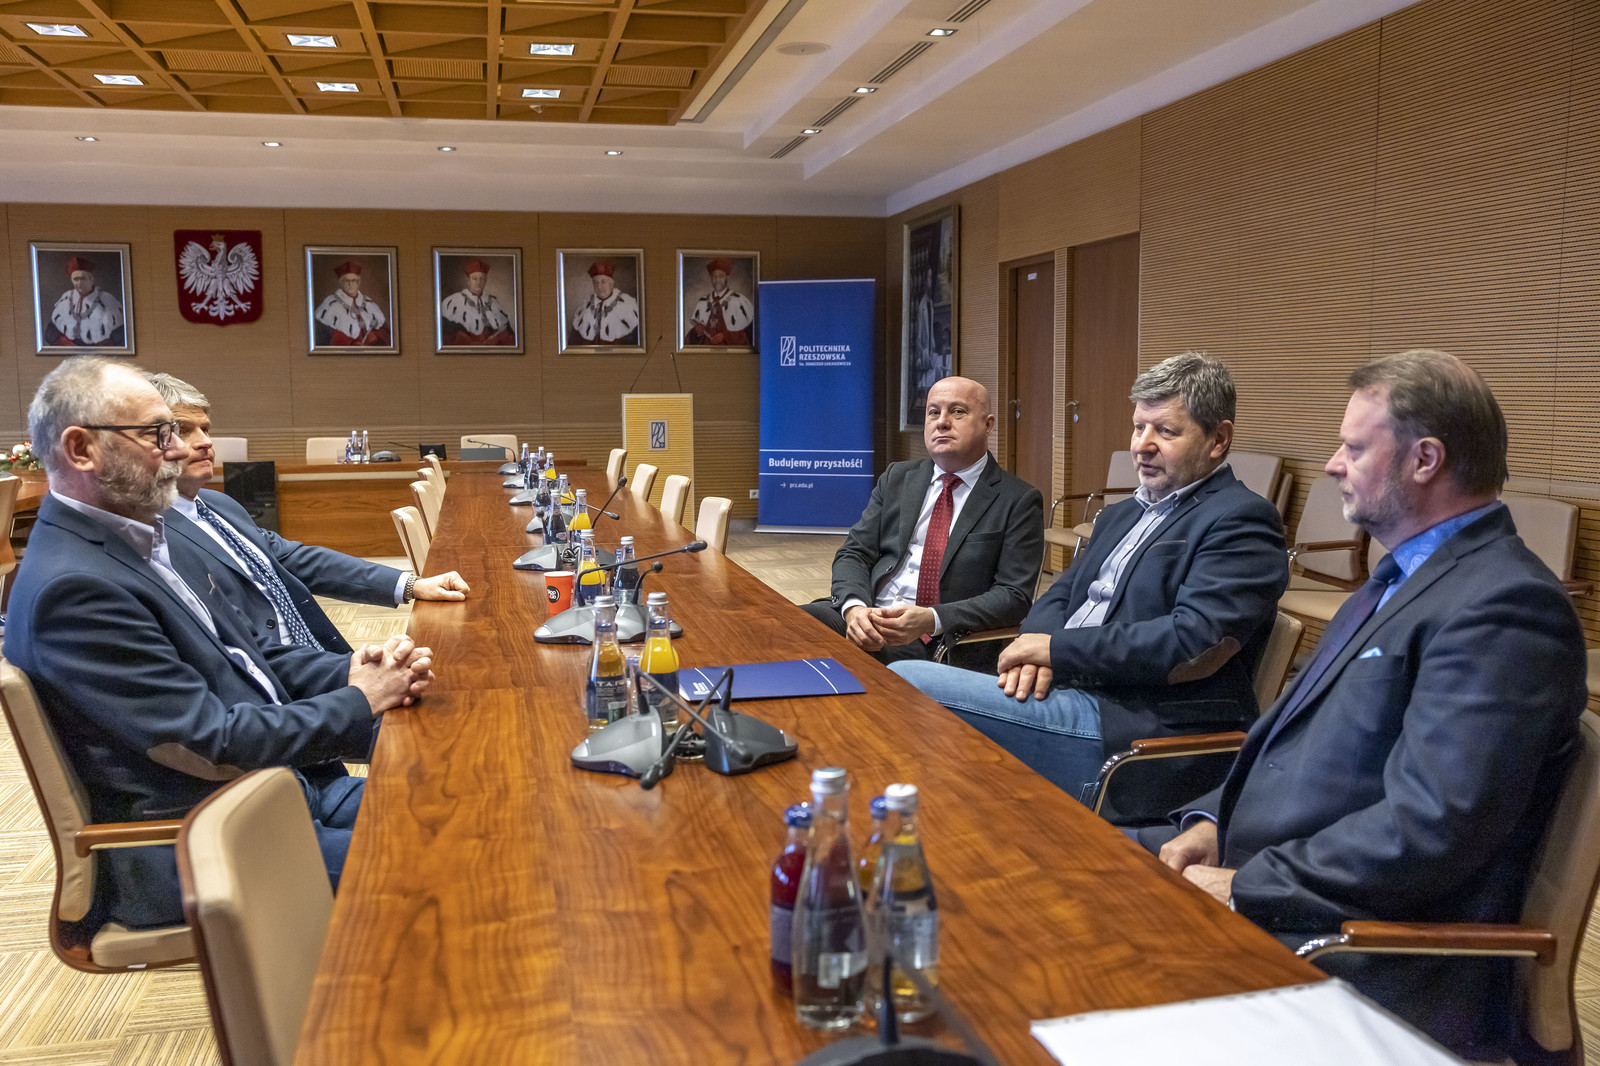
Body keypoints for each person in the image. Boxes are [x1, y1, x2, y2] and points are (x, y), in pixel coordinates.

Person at [1150, 349, 1586, 1058]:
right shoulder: (1400, 577)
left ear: (1425, 460)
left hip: (1363, 949)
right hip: (1287, 883)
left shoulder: (1505, 606)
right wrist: (1213, 820)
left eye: (1354, 448)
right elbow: (1301, 742)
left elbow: (1429, 828)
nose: (1332, 464)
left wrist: (1248, 883)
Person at [4, 356, 434, 930]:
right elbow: (210, 744)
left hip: (272, 790)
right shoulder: (76, 587)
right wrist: (361, 699)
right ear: (82, 449)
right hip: (196, 838)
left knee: (463, 806)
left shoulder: (144, 536)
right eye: (158, 434)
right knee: (449, 865)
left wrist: (356, 669)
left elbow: (250, 658)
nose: (179, 449)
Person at [892, 353, 1288, 821]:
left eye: (1165, 431)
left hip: (1136, 731)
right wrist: (1035, 647)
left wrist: (1057, 651)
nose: (1142, 445)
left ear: (1218, 439)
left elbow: (1191, 642)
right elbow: (1062, 593)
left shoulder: (1241, 519)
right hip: (1068, 689)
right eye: (1138, 427)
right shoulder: (1122, 514)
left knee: (908, 682)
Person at [147, 372, 470, 654]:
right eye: (184, 430)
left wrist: (411, 585)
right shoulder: (153, 536)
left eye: (206, 429)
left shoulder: (219, 504)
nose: (205, 442)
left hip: (318, 655)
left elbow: (295, 559)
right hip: (278, 681)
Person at [800, 376, 1042, 672]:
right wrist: (854, 609)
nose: (942, 422)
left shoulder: (1017, 499)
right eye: (933, 412)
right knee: (782, 624)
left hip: (939, 640)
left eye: (957, 412)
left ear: (988, 424)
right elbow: (855, 552)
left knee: (856, 669)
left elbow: (1013, 597)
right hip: (868, 613)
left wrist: (931, 618)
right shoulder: (898, 478)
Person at [45, 256, 125, 347]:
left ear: (91, 279)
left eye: (83, 278)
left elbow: (121, 335)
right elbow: (50, 334)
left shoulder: (107, 300)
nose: (79, 283)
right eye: (76, 279)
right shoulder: (66, 299)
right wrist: (68, 346)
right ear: (71, 280)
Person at [439, 258, 514, 346]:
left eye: (482, 279)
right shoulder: (454, 302)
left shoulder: (493, 302)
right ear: (468, 281)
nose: (478, 282)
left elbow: (510, 338)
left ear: (485, 281)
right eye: (474, 278)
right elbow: (449, 340)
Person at [314, 260, 390, 346]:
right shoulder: (330, 305)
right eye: (346, 281)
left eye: (353, 280)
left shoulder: (369, 304)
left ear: (358, 283)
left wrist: (374, 337)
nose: (350, 284)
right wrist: (350, 344)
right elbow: (323, 341)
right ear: (340, 282)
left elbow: (386, 336)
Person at [683, 257, 753, 346]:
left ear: (726, 278)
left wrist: (725, 336)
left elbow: (748, 332)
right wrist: (696, 332)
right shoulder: (703, 302)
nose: (717, 280)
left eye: (721, 276)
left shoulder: (738, 300)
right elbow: (692, 339)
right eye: (714, 276)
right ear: (711, 279)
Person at [571, 260, 640, 345]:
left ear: (611, 283)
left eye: (603, 282)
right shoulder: (585, 306)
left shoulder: (628, 304)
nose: (599, 286)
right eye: (595, 283)